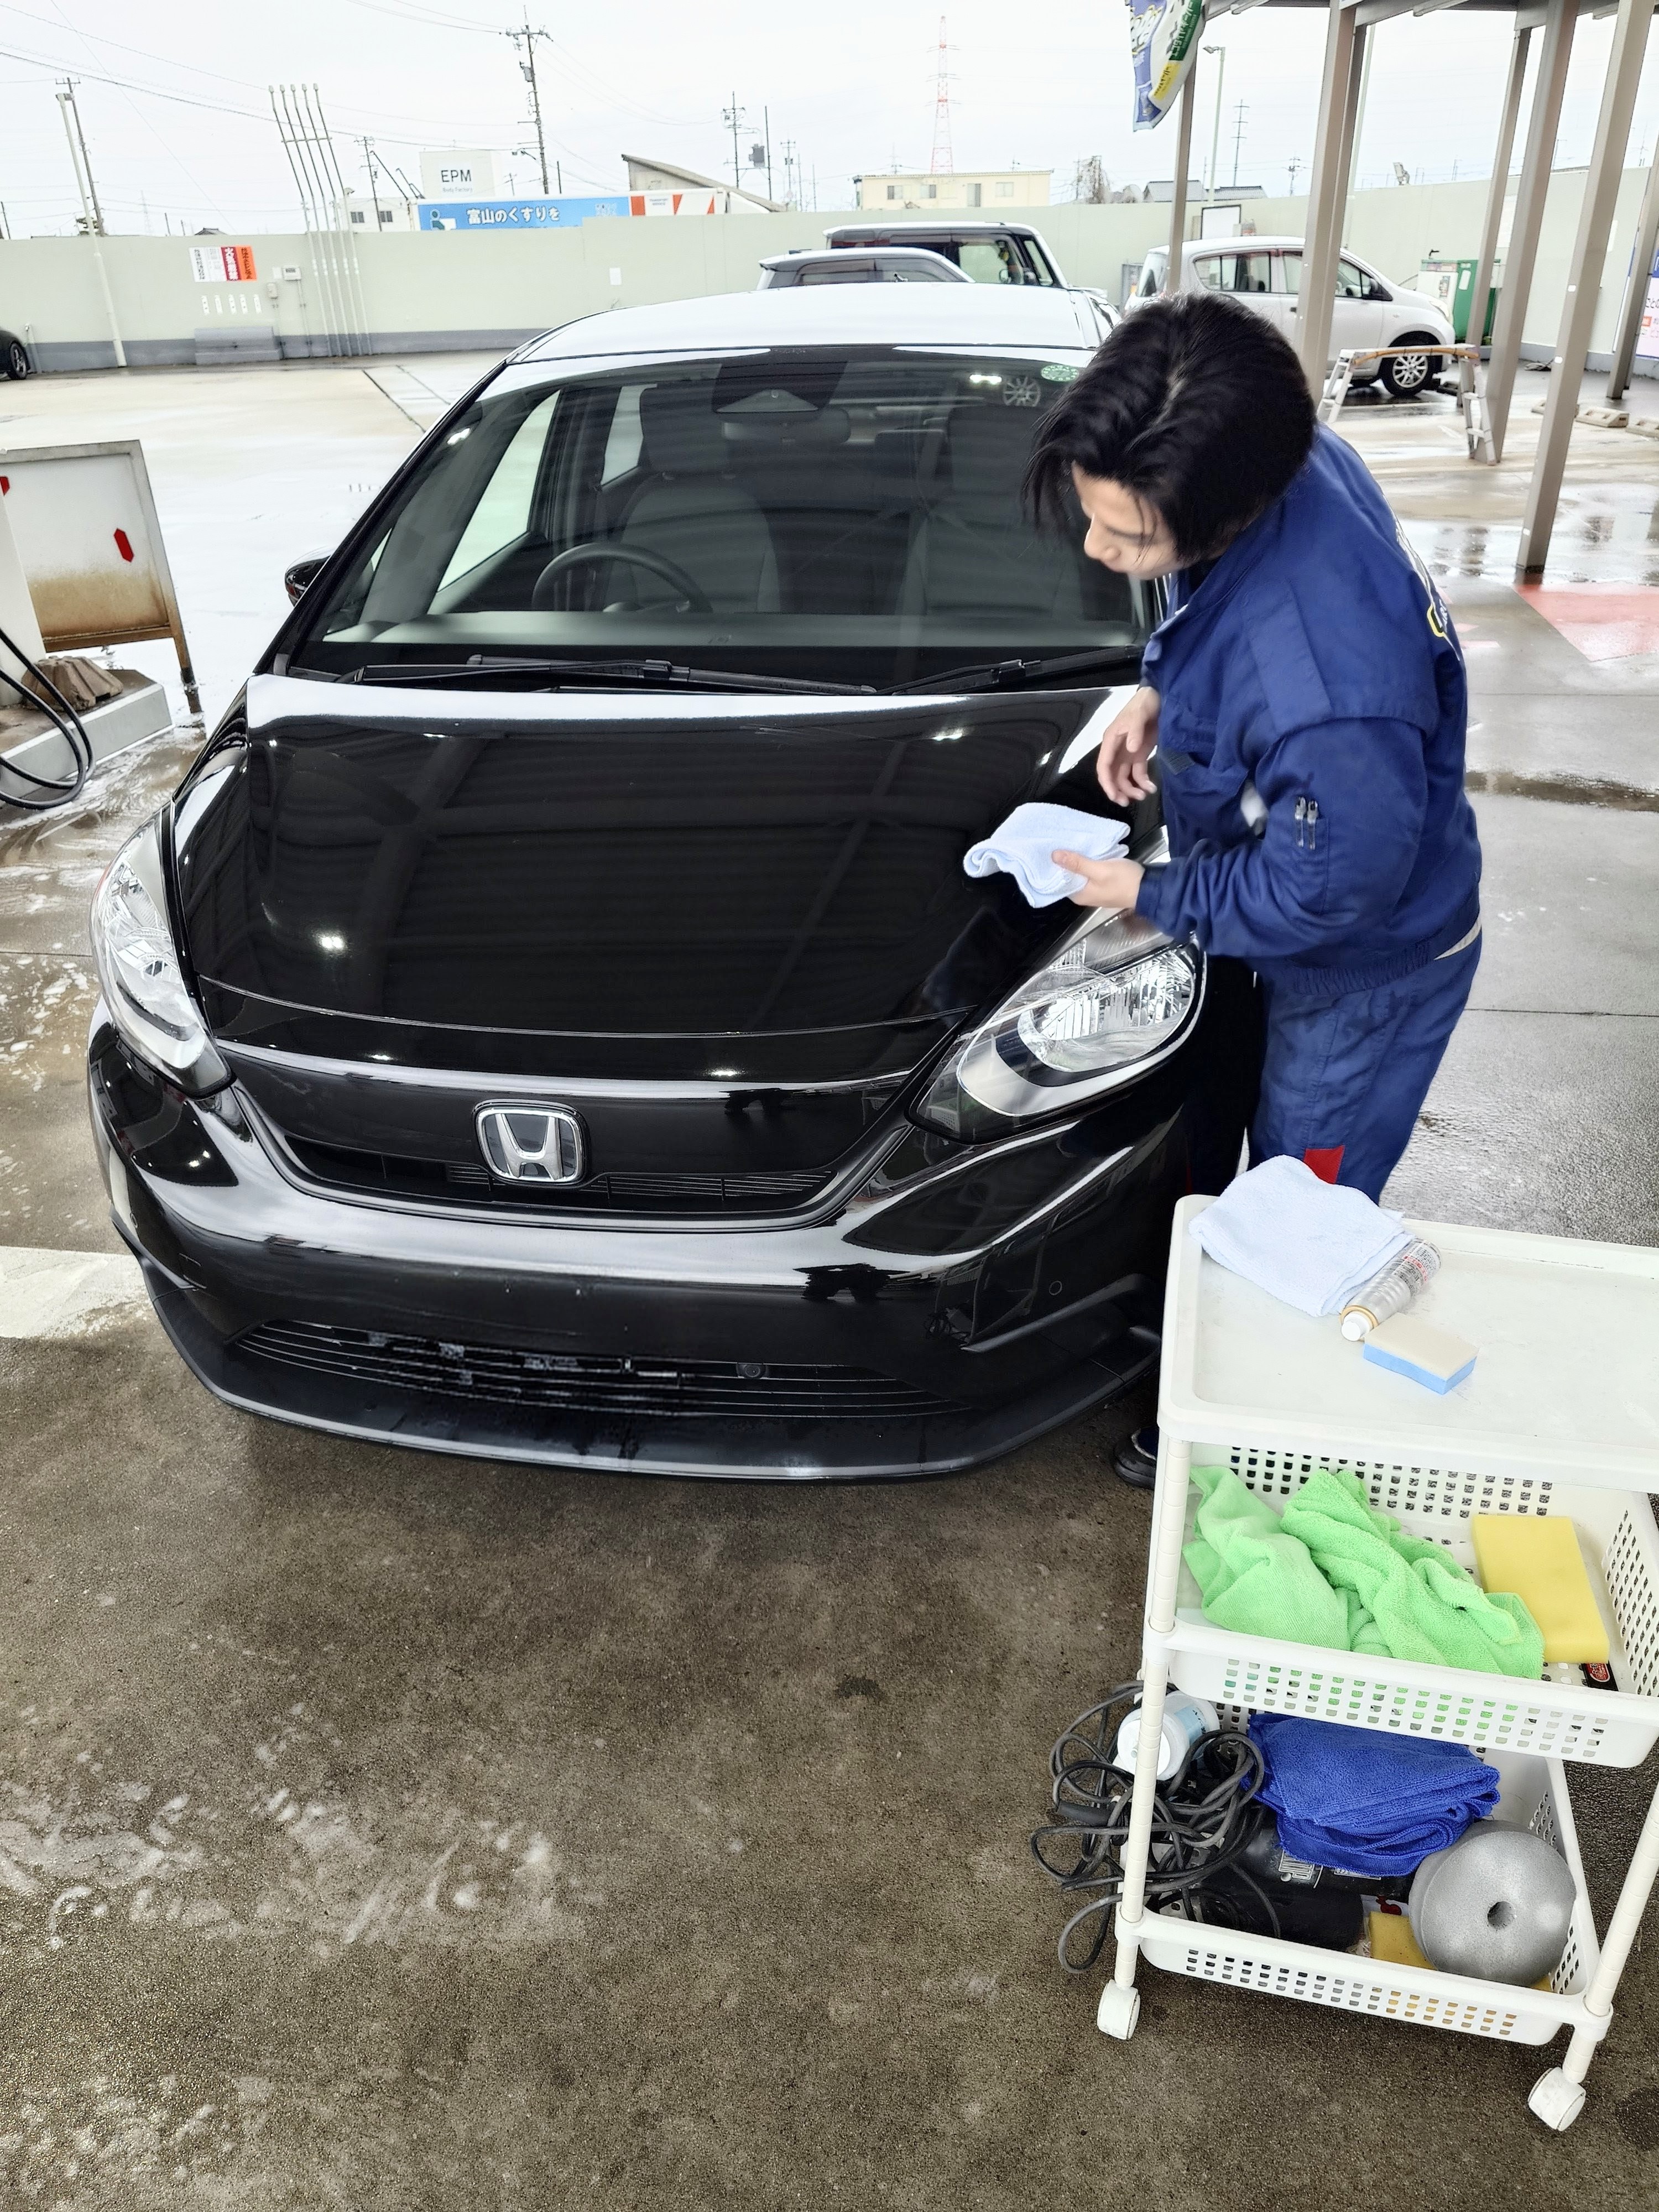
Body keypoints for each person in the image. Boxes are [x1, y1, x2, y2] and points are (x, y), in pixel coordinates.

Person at [1024, 291, 1481, 1488]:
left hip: (1367, 965)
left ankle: (1247, 1435)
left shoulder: (1329, 682)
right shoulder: (1285, 452)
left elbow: (1331, 893)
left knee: (1299, 1199)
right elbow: (1212, 615)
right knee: (1252, 1157)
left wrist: (1154, 890)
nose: (1098, 552)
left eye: (1128, 540)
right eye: (1094, 518)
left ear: (1222, 511)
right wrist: (1162, 691)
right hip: (1323, 876)